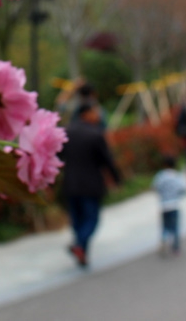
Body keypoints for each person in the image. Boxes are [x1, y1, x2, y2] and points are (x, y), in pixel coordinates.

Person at [59, 102, 122, 267]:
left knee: (77, 221)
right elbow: (107, 161)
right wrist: (117, 179)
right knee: (91, 220)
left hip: (70, 184)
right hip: (91, 185)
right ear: (85, 114)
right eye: (95, 112)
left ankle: (82, 255)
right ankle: (79, 246)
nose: (98, 116)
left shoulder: (66, 131)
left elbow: (57, 157)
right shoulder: (95, 134)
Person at [151, 154, 186, 256]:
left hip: (164, 205)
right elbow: (183, 189)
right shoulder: (177, 175)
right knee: (175, 227)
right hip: (174, 205)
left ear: (164, 164)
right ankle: (176, 248)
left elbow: (155, 187)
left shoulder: (160, 176)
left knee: (165, 227)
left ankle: (164, 240)